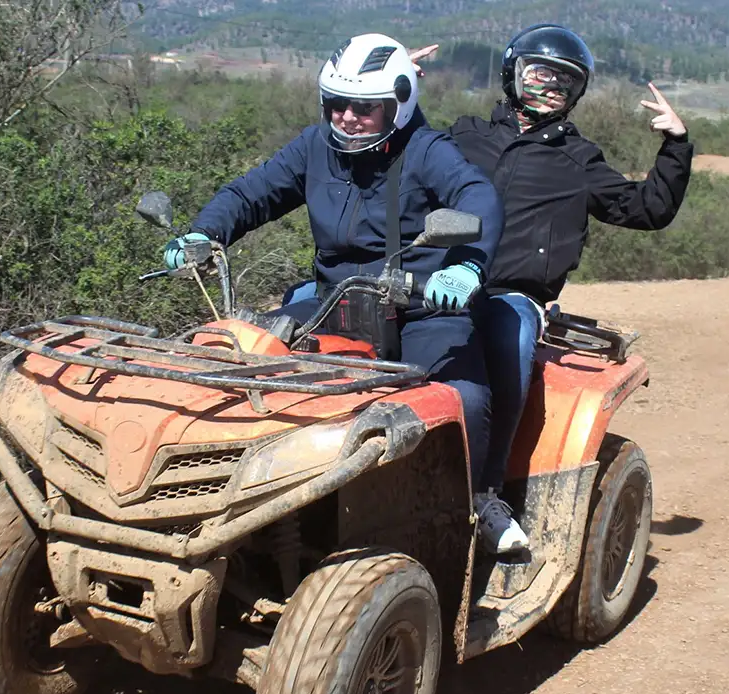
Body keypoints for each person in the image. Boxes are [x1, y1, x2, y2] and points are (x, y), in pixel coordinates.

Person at [162, 33, 529, 555]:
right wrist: (205, 233)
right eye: (337, 104)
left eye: (364, 107)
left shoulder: (427, 150)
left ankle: (476, 505)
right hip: (336, 305)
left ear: (398, 105)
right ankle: (225, 500)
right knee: (244, 356)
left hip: (422, 308)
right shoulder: (315, 147)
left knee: (461, 397)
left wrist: (466, 265)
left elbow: (477, 196)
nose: (347, 117)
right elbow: (251, 192)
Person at [407, 24, 694, 554]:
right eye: (540, 74)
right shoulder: (465, 136)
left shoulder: (578, 160)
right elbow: (407, 153)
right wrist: (400, 85)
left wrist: (675, 145)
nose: (552, 87)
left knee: (511, 335)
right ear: (512, 74)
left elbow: (647, 208)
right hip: (435, 280)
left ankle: (486, 496)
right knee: (319, 309)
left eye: (565, 81)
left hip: (509, 295)